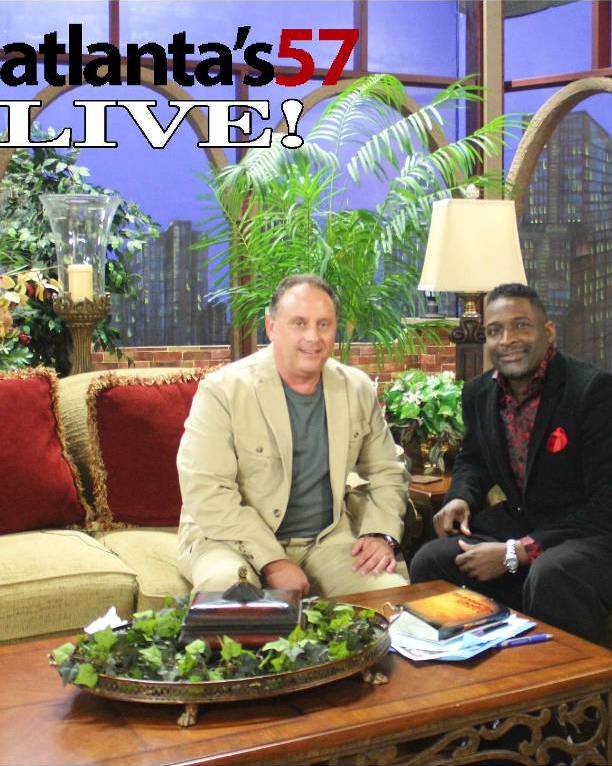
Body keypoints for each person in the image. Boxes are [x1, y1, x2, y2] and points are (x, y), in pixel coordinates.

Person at [177, 274, 410, 598]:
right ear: (271, 327)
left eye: (324, 324)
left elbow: (386, 470)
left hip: (325, 539)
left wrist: (380, 533)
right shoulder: (222, 391)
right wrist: (273, 561)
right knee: (227, 599)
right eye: (299, 324)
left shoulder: (356, 388)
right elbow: (208, 492)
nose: (313, 337)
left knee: (390, 598)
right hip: (227, 541)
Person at [410, 283, 612, 643]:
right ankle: (471, 676)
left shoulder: (592, 391)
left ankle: (566, 692)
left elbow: (605, 505)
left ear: (548, 332)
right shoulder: (479, 392)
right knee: (432, 559)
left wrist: (516, 552)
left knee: (550, 573)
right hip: (521, 521)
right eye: (495, 330)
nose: (508, 339)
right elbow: (473, 459)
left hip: (589, 534)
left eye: (521, 325)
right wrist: (461, 497)